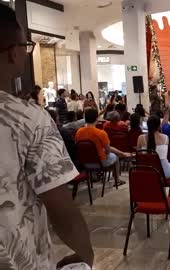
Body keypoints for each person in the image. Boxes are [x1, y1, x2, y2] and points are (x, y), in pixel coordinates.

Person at [0, 6, 94, 269]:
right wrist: (86, 254)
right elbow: (60, 207)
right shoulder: (29, 119)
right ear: (12, 52)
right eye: (26, 45)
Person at [75, 108, 131, 184]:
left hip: (85, 163)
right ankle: (117, 180)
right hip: (99, 162)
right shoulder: (101, 133)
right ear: (96, 118)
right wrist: (122, 153)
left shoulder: (78, 132)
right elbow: (108, 150)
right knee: (115, 156)